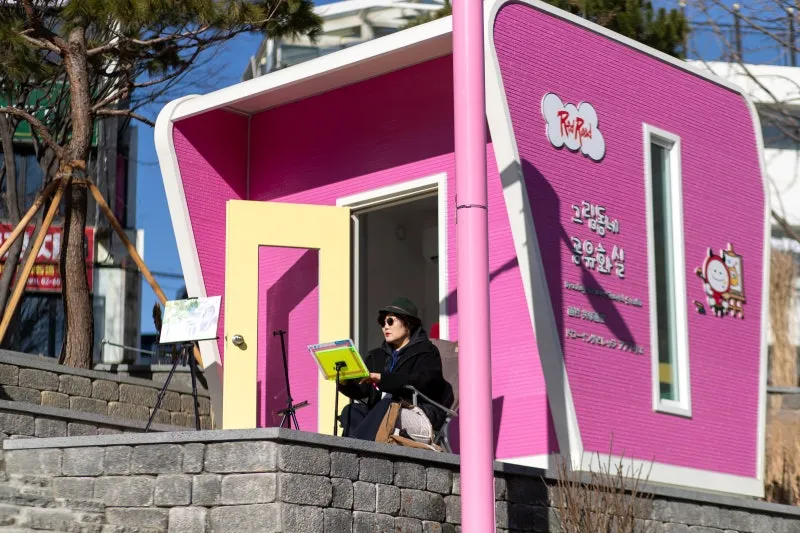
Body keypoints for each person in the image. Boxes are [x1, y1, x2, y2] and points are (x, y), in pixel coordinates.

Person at [338, 297, 453, 444]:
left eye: (390, 321)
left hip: (418, 413)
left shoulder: (427, 352)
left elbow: (424, 381)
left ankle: (358, 448)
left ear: (408, 324)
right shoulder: (376, 356)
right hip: (382, 413)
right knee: (352, 410)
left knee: (388, 405)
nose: (385, 327)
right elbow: (362, 391)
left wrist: (383, 379)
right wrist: (344, 382)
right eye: (382, 322)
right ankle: (354, 448)